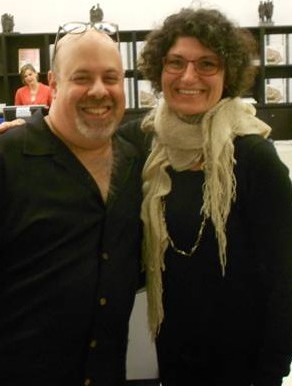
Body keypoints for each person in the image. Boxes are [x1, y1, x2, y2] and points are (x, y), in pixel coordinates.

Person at [0, 27, 145, 385]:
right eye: (82, 77)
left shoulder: (135, 162)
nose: (100, 90)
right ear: (53, 83)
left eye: (111, 77)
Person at [123, 8, 292, 386]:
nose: (188, 77)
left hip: (243, 366)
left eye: (206, 64)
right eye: (176, 63)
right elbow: (81, 141)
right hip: (171, 356)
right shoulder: (144, 142)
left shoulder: (252, 158)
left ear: (227, 72)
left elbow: (285, 279)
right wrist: (24, 130)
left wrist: (270, 372)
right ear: (158, 69)